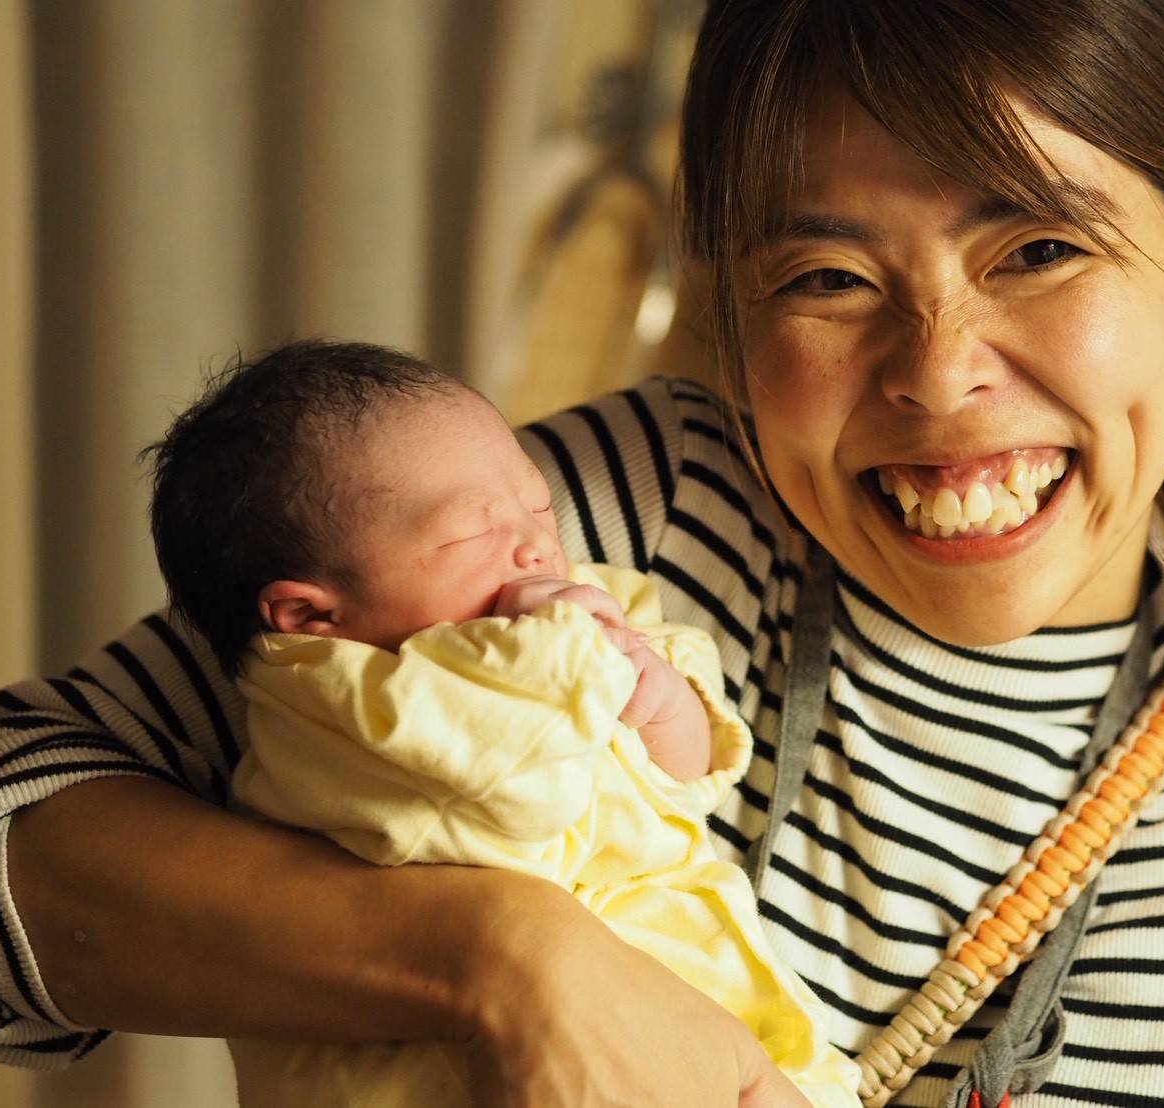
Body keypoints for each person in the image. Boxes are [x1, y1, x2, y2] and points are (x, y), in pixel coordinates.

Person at [0, 2, 1164, 1106]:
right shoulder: (629, 523)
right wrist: (499, 961)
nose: (937, 373)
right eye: (828, 276)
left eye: (1038, 250)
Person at [139, 339, 861, 1107]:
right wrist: (566, 648)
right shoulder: (362, 706)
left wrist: (657, 695)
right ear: (311, 617)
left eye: (539, 505)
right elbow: (526, 790)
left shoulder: (567, 613)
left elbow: (688, 780)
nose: (534, 543)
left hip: (707, 1027)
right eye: (468, 535)